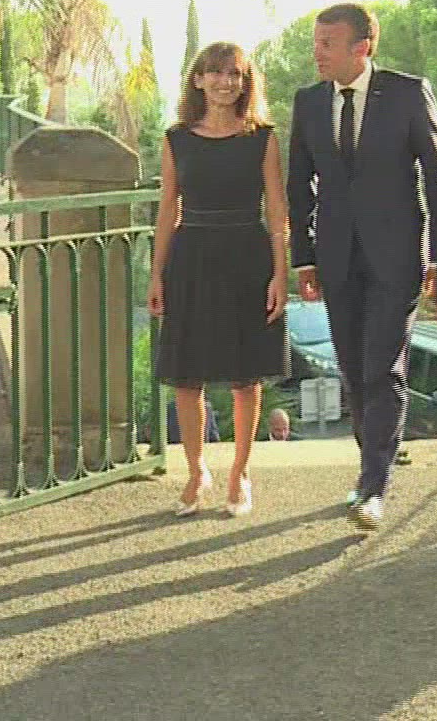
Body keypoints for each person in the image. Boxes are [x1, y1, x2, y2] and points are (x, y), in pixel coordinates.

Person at [286, 2, 437, 531]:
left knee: (383, 365)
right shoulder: (309, 102)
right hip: (336, 257)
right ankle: (370, 465)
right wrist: (304, 258)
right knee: (354, 368)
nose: (317, 52)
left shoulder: (407, 93)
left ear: (363, 47)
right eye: (315, 42)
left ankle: (374, 485)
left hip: (397, 256)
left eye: (327, 43)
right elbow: (298, 185)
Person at [148, 43, 290, 518]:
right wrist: (156, 275)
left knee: (245, 377)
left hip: (248, 257)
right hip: (191, 259)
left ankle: (240, 474)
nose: (226, 82)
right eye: (217, 73)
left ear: (246, 82)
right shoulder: (176, 139)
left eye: (236, 74)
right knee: (187, 377)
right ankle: (196, 472)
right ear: (198, 80)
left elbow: (278, 212)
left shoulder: (262, 138)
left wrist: (280, 274)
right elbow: (167, 210)